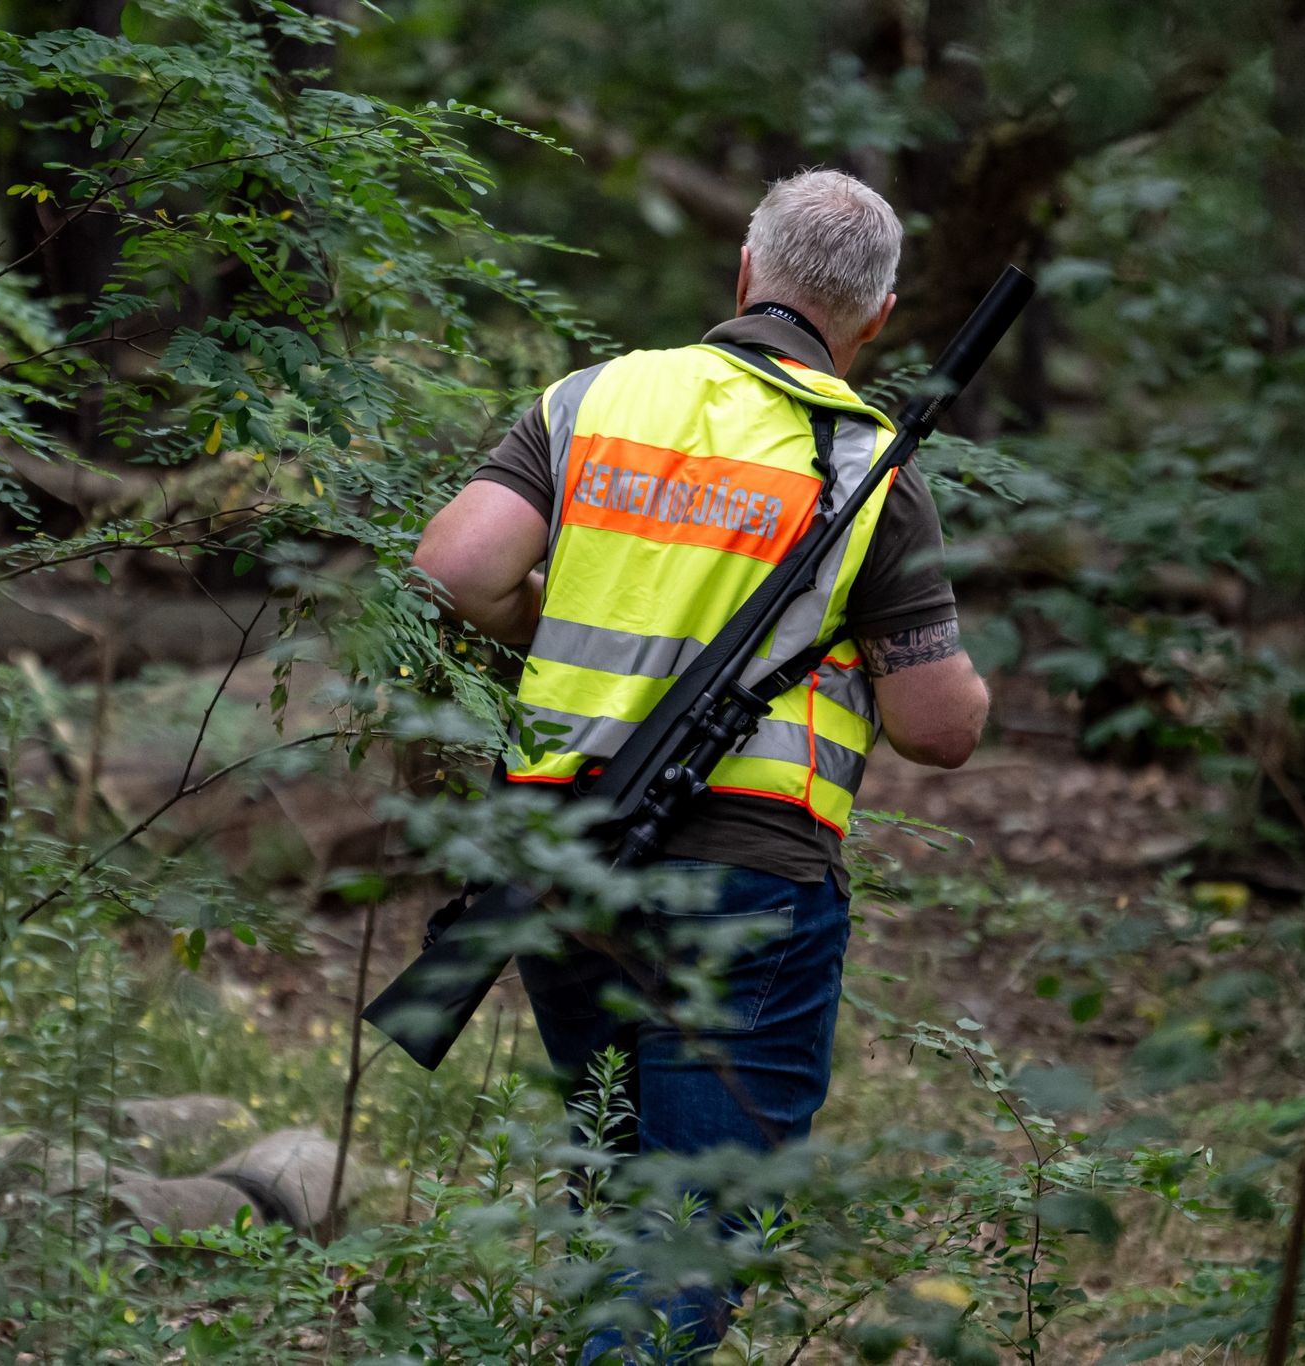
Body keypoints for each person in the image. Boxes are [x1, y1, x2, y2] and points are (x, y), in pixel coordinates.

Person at [412, 169, 990, 1360]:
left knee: (621, 1195)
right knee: (687, 1235)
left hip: (557, 855)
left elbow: (458, 569)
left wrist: (551, 621)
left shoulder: (592, 398)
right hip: (749, 880)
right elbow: (938, 727)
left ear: (742, 271)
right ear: (874, 318)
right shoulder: (866, 469)